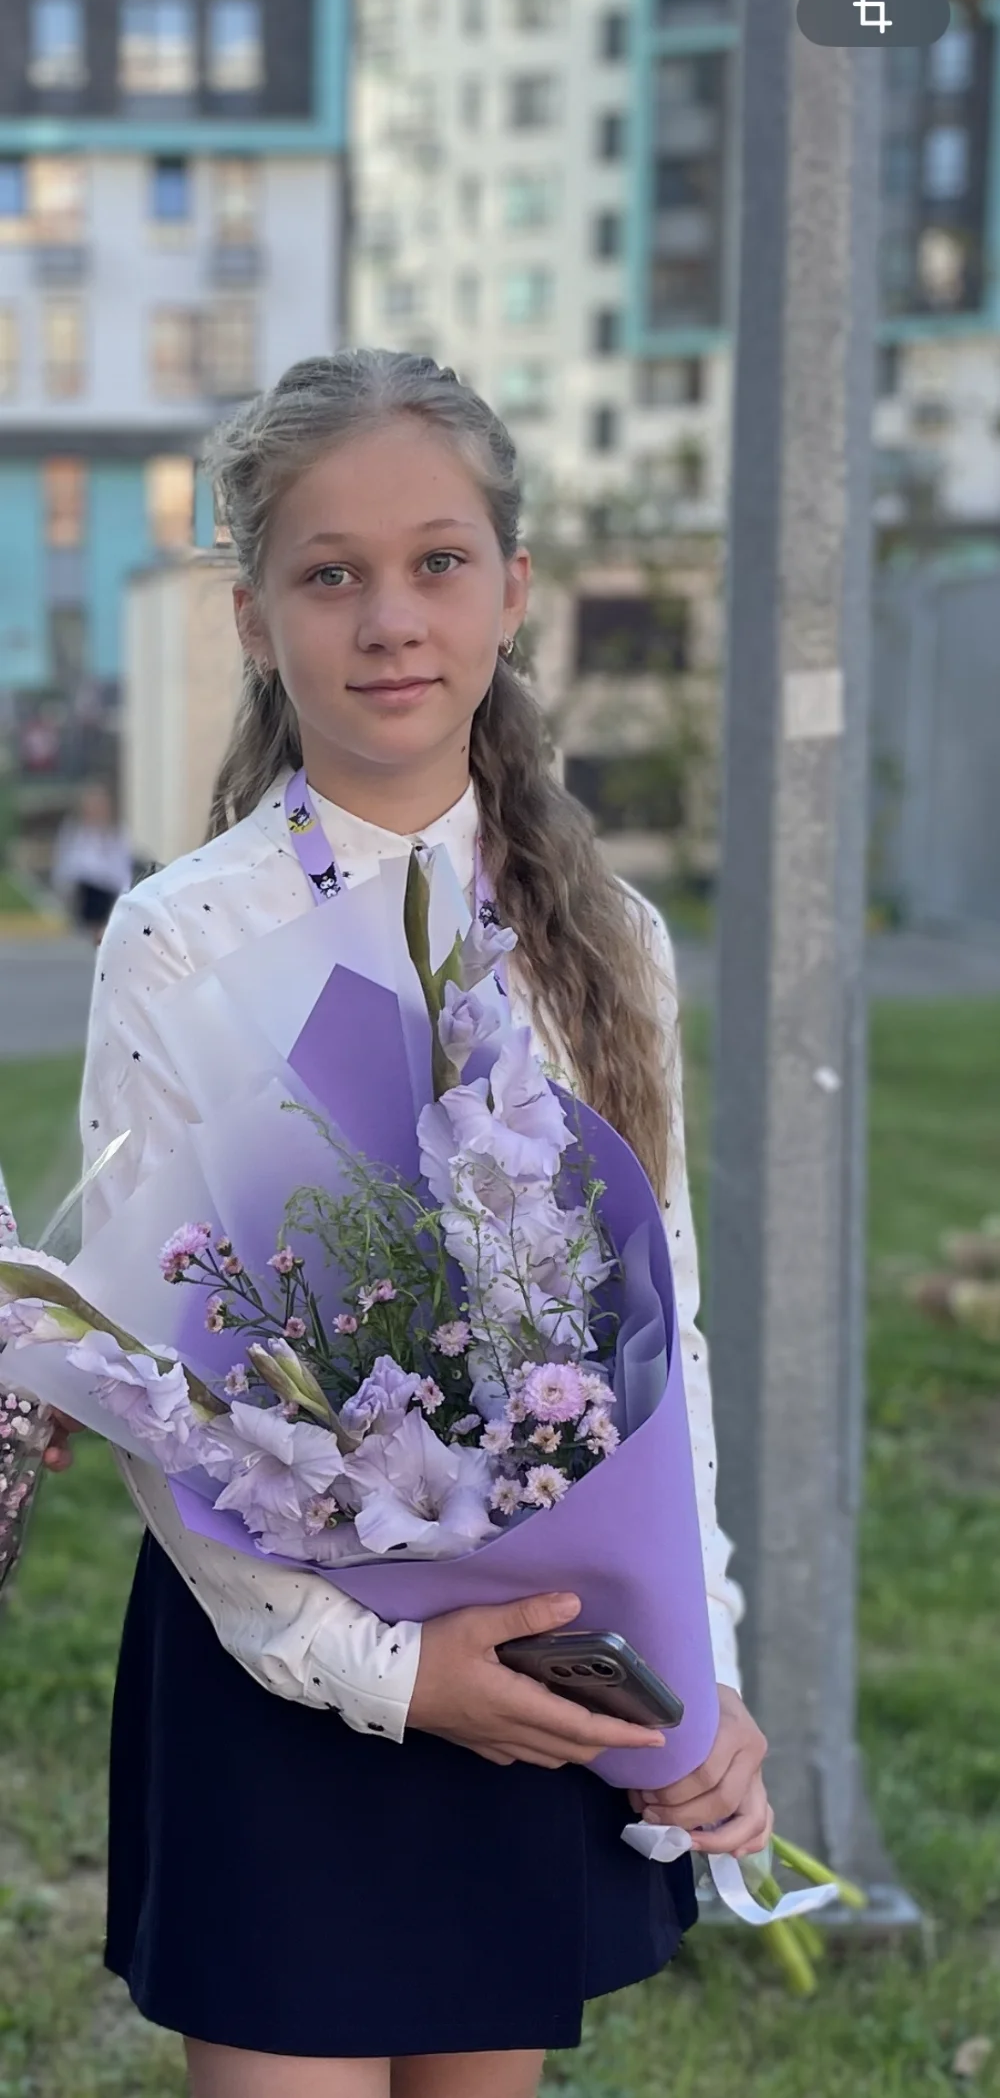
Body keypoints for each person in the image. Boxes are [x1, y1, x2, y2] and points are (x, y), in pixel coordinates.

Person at [50, 351, 769, 2098]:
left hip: (536, 1650)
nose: (390, 618)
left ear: (512, 590)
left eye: (438, 562)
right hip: (290, 1672)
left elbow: (661, 1333)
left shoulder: (607, 938)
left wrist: (701, 1663)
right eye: (331, 573)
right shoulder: (184, 939)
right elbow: (156, 1385)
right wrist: (383, 1669)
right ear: (255, 617)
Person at [50, 781, 132, 942]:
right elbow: (66, 864)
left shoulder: (116, 832)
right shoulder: (74, 831)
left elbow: (122, 869)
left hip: (108, 893)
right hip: (83, 893)